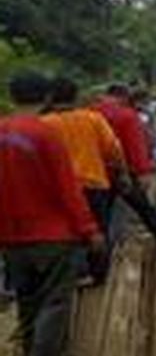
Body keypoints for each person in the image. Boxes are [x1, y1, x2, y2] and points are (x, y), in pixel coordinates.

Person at [0, 71, 103, 356]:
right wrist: (89, 229)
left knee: (27, 297)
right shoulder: (46, 134)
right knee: (55, 299)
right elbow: (67, 187)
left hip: (12, 235)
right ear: (46, 97)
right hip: (52, 234)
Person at [41, 77, 125, 281]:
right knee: (98, 229)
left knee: (67, 233)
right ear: (76, 96)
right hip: (94, 183)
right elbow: (113, 148)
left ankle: (73, 274)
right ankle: (98, 274)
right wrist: (120, 170)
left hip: (60, 188)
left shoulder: (44, 124)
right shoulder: (93, 119)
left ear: (50, 98)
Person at [93, 84, 156, 248]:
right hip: (124, 172)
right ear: (122, 96)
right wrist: (143, 171)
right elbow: (135, 145)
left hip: (98, 171)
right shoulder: (127, 115)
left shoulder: (90, 113)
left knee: (101, 215)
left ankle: (101, 253)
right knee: (143, 207)